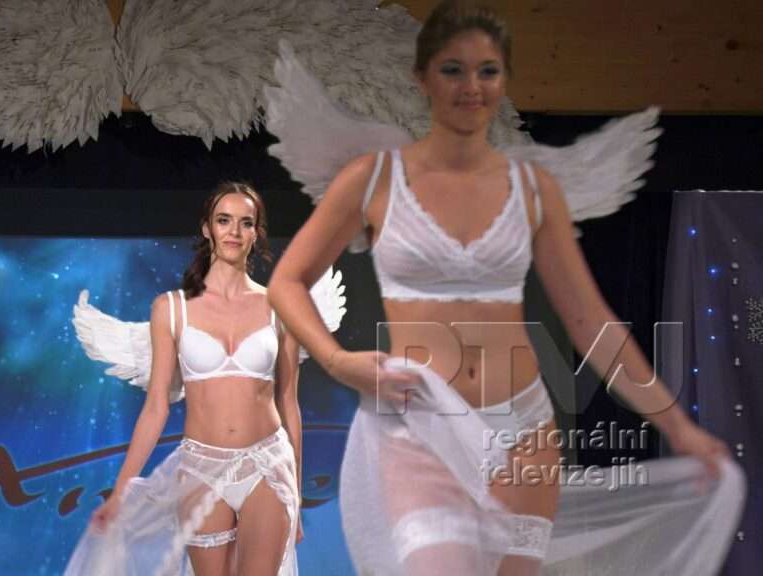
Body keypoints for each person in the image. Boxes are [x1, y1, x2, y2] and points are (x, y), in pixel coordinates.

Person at [266, 1, 744, 574]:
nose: (471, 87)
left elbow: (591, 323)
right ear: (421, 77)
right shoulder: (373, 179)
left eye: (487, 71)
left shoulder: (533, 189)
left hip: (523, 431)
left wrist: (679, 428)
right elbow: (287, 281)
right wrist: (338, 361)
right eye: (452, 69)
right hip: (420, 426)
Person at [65, 182, 302, 576]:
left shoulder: (281, 306)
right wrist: (121, 492)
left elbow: (289, 401)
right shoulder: (171, 309)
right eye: (224, 220)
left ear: (256, 233)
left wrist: (298, 493)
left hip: (268, 463)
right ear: (207, 228)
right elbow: (156, 406)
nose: (234, 231)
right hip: (201, 468)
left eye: (245, 223)